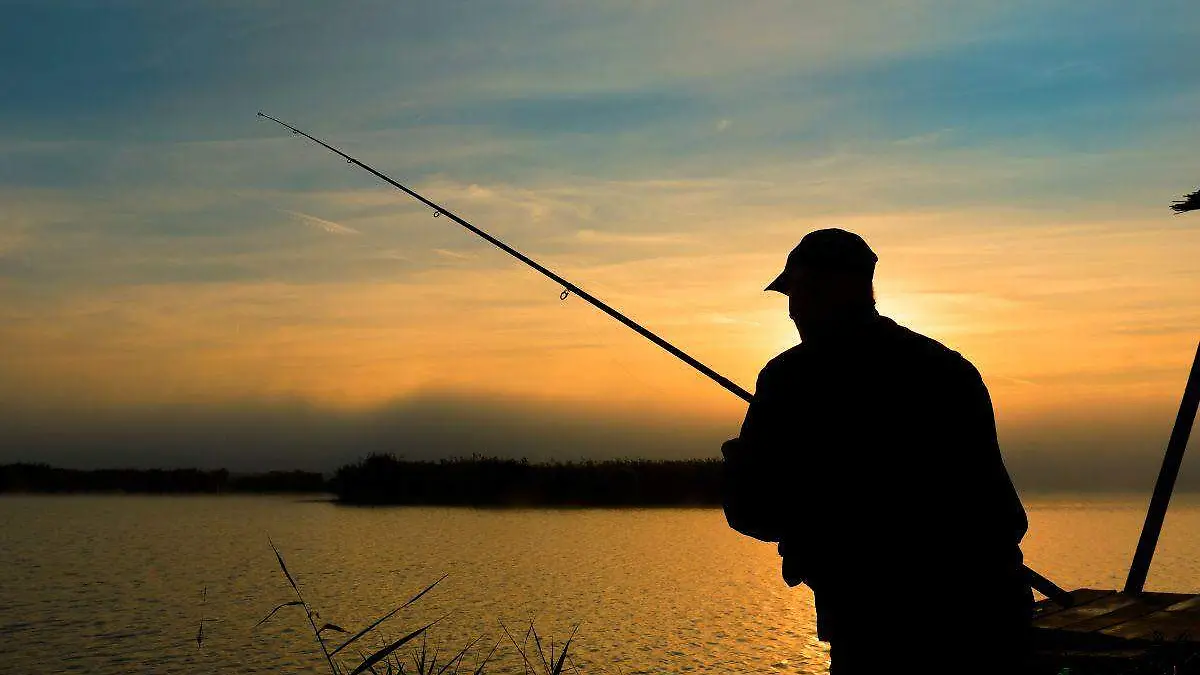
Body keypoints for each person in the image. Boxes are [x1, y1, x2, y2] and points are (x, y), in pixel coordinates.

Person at [722, 229, 1032, 674]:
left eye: (803, 291)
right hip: (993, 616)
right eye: (792, 293)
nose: (793, 308)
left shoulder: (791, 378)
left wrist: (741, 468)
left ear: (844, 291)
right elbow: (995, 512)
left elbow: (754, 513)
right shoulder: (947, 368)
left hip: (874, 630)